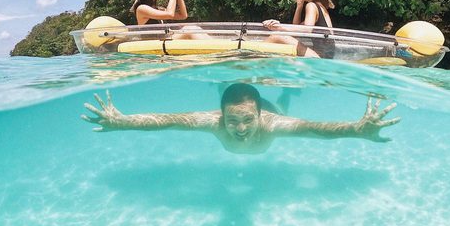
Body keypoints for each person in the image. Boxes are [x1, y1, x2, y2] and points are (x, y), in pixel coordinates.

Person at [82, 84, 400, 155]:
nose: (240, 129)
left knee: (283, 108)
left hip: (273, 110)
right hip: (254, 107)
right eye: (232, 121)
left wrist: (357, 129)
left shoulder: (272, 123)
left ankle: (285, 95)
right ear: (222, 115)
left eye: (247, 119)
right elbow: (168, 120)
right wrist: (122, 121)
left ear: (259, 115)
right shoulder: (213, 121)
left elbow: (313, 129)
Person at [263, 0, 336, 58]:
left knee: (276, 36)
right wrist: (299, 5)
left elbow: (307, 29)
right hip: (326, 57)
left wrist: (279, 27)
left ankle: (254, 57)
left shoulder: (311, 6)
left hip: (320, 57)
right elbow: (297, 29)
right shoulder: (321, 8)